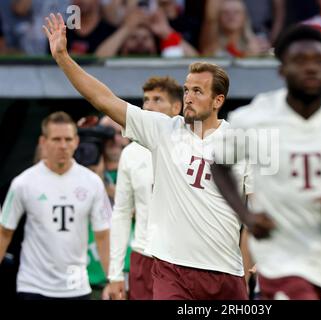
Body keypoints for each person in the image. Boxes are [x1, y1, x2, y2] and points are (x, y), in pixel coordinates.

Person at [43, 13, 250, 300]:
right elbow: (103, 99)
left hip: (225, 273)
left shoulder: (242, 143)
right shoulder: (163, 129)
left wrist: (254, 263)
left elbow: (258, 213)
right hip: (170, 269)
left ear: (218, 101)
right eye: (187, 89)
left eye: (197, 91)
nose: (188, 97)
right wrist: (63, 58)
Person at [211, 24, 321, 300]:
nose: (311, 68)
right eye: (300, 61)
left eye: (319, 61)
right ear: (281, 69)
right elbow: (220, 165)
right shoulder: (254, 118)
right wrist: (246, 215)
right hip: (280, 254)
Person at [0, 112, 111, 299]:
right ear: (43, 142)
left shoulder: (92, 182)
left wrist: (112, 279)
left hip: (76, 286)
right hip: (33, 286)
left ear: (76, 141)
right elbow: (4, 232)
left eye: (68, 139)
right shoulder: (23, 183)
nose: (63, 146)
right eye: (56, 139)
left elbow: (103, 235)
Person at [107, 76, 183, 300]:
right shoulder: (130, 153)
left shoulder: (194, 149)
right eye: (146, 100)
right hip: (143, 256)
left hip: (181, 259)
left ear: (176, 107)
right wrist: (115, 273)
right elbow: (121, 212)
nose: (148, 105)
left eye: (157, 99)